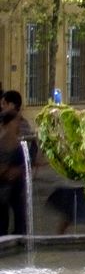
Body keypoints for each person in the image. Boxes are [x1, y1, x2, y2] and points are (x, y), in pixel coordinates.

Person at [0, 90, 36, 236]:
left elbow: (32, 150)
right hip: (5, 180)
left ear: (12, 105)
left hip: (16, 180)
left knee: (18, 213)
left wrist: (20, 170)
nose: (1, 106)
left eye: (4, 104)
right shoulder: (4, 121)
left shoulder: (22, 125)